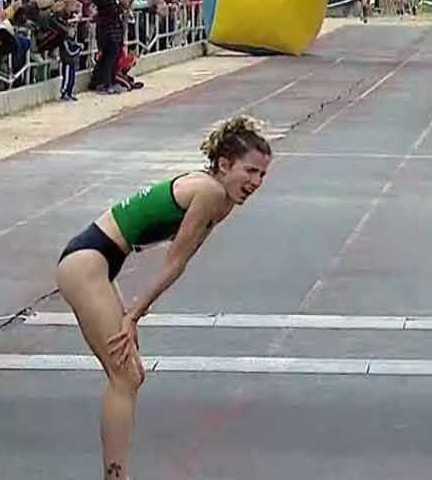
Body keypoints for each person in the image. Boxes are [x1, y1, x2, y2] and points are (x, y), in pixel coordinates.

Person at [56, 116, 273, 480]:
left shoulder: (221, 198)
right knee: (124, 377)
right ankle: (115, 476)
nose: (255, 182)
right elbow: (175, 261)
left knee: (131, 375)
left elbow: (181, 259)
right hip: (86, 263)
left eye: (262, 175)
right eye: (250, 171)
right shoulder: (209, 192)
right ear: (224, 164)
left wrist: (132, 312)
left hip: (100, 262)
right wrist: (133, 315)